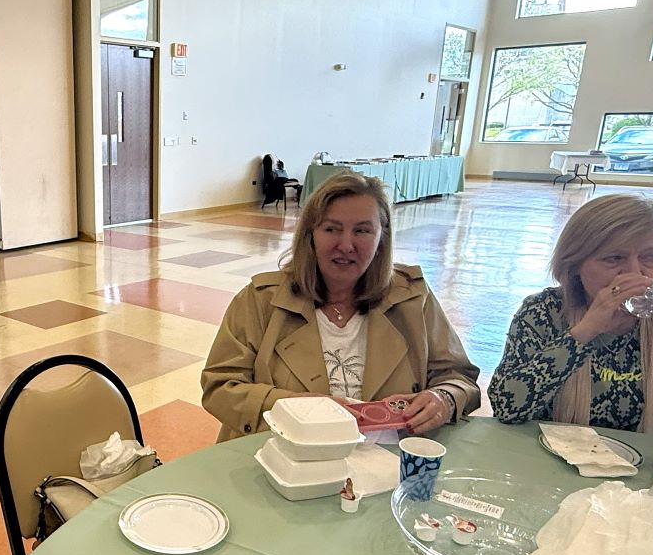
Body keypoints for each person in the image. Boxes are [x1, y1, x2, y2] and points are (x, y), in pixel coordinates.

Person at [202, 171, 480, 441]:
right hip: (282, 456)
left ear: (381, 238)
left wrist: (443, 398)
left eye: (362, 230)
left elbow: (458, 378)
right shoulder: (260, 300)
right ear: (310, 235)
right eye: (332, 229)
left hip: (390, 461)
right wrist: (295, 407)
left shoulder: (413, 298)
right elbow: (220, 387)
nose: (346, 245)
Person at [489, 194, 653, 476]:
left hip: (642, 470)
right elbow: (507, 407)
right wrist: (583, 333)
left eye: (651, 257)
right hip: (548, 467)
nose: (635, 273)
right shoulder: (542, 312)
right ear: (575, 265)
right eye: (614, 259)